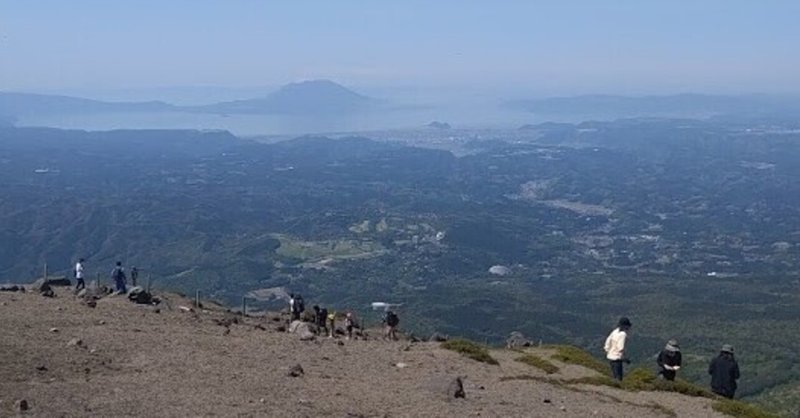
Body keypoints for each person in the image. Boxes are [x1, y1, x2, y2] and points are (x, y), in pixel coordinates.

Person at [604, 317, 632, 381]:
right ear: (626, 326)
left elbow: (608, 341)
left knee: (614, 375)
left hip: (610, 356)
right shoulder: (623, 334)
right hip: (617, 358)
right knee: (619, 377)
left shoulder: (615, 331)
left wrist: (607, 350)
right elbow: (620, 348)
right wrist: (625, 359)